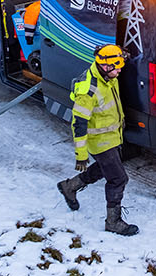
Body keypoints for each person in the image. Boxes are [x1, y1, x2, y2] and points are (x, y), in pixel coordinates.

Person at [56, 44, 139, 236]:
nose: (119, 71)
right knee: (118, 179)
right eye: (116, 67)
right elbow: (78, 124)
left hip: (111, 136)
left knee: (103, 168)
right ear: (105, 66)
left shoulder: (107, 73)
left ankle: (69, 187)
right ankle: (113, 222)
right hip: (100, 141)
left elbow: (119, 58)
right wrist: (81, 156)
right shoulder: (88, 90)